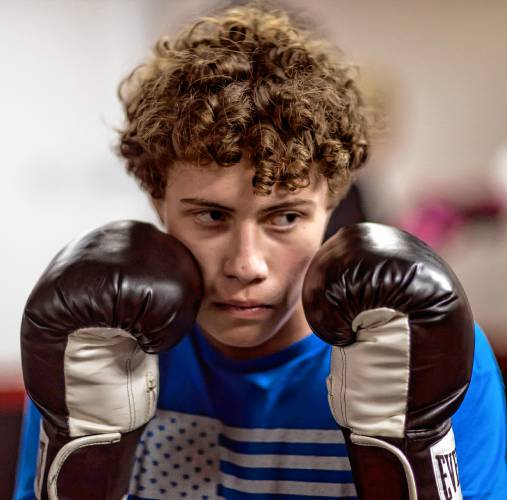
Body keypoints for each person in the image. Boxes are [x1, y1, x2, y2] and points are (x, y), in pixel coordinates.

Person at [14, 4, 506, 499]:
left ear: (332, 205)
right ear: (157, 200)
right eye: (211, 216)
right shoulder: (93, 344)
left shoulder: (432, 356)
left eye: (285, 218)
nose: (245, 264)